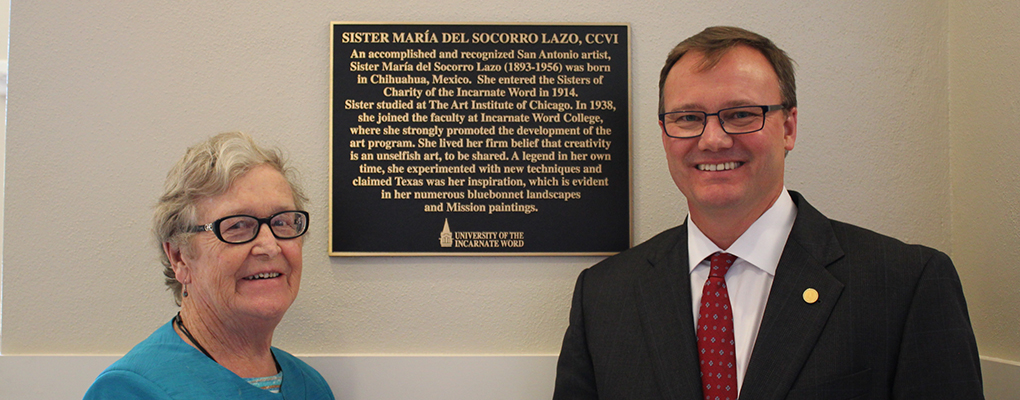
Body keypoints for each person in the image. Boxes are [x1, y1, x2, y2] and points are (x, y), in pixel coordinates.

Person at [552, 27, 983, 400]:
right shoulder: (604, 296)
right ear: (665, 133)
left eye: (740, 114)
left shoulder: (907, 285)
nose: (714, 140)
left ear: (789, 128)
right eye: (688, 118)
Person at [84, 132, 334, 399]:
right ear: (179, 257)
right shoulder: (129, 390)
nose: (270, 246)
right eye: (237, 225)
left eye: (282, 222)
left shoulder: (310, 386)